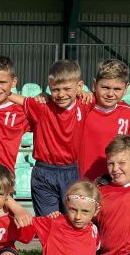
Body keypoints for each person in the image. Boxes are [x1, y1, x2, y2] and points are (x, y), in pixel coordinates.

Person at [23, 59, 86, 214]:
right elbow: (7, 95)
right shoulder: (42, 106)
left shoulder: (86, 103)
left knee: (73, 221)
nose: (61, 94)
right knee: (48, 222)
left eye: (67, 89)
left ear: (79, 86)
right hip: (44, 171)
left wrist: (87, 93)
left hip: (72, 171)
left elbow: (109, 94)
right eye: (55, 89)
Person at [78, 59, 130, 181]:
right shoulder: (82, 105)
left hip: (114, 182)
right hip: (83, 182)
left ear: (126, 88)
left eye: (117, 89)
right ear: (95, 84)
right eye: (105, 87)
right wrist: (45, 96)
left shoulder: (127, 112)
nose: (110, 93)